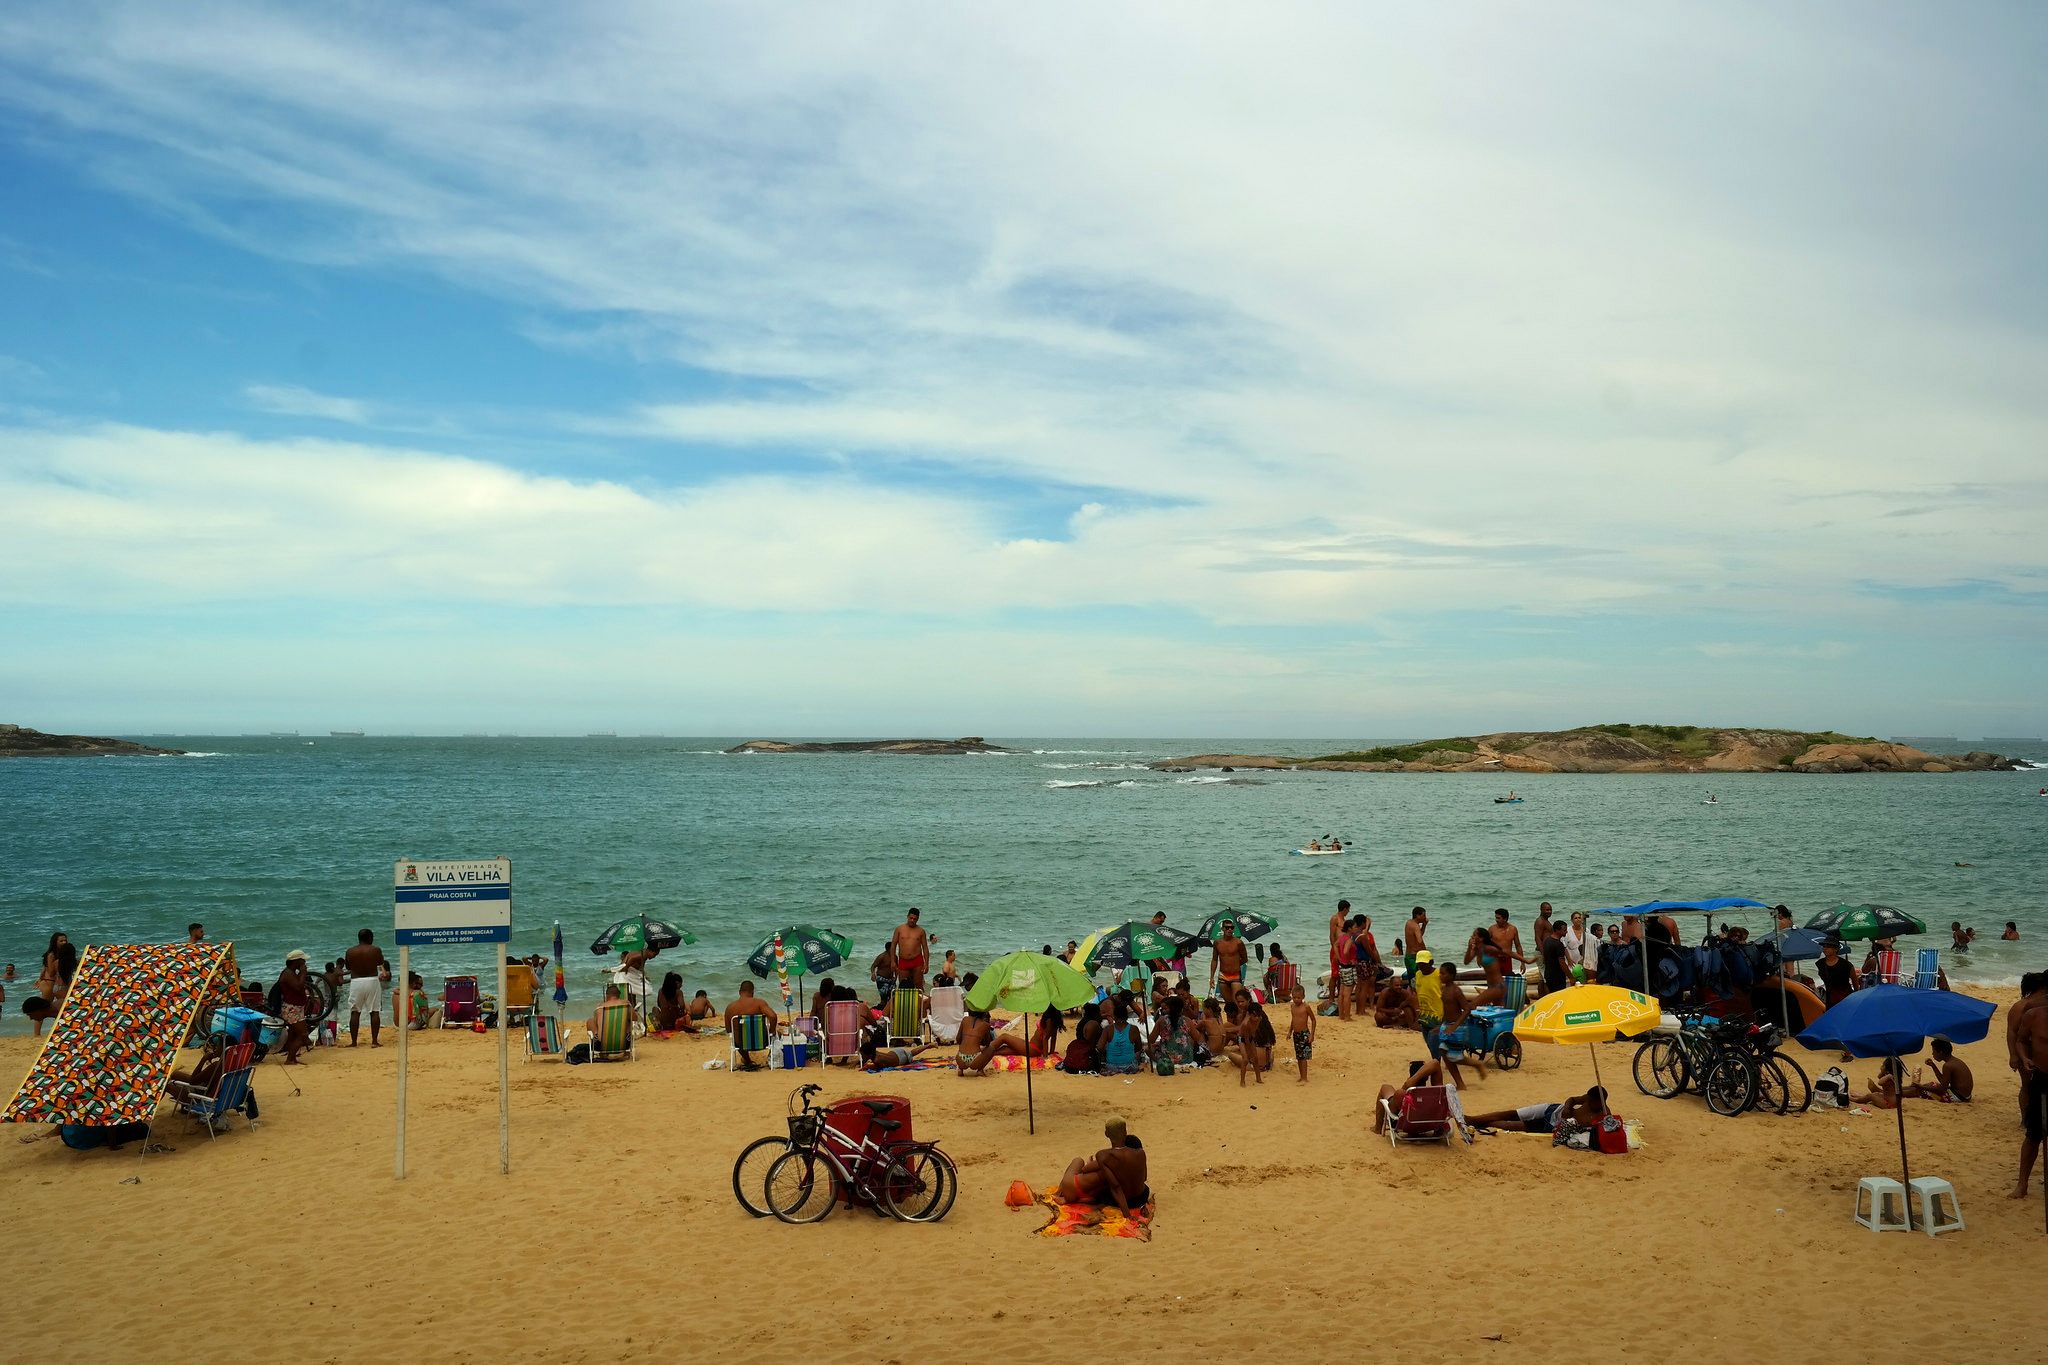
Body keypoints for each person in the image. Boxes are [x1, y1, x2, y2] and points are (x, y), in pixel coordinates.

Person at [1057, 1116, 1149, 1212]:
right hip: (1138, 1198)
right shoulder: (1140, 1154)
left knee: (1078, 1160)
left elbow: (1086, 1170)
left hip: (1071, 1186)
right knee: (1103, 1186)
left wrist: (1091, 1163)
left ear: (1106, 1134)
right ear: (1125, 1132)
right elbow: (1144, 1178)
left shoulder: (1104, 1156)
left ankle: (1059, 1192)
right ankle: (1075, 1197)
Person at [2012, 972, 2048, 1200]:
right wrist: (2023, 1058)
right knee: (2033, 1134)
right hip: (2042, 1078)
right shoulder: (2034, 1015)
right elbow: (2020, 1040)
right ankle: (2022, 1183)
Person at [1469, 1086, 1608, 1134]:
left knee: (1511, 1125)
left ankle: (1481, 1123)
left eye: (1591, 1101)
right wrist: (1567, 1107)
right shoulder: (1588, 1098)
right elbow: (1572, 1099)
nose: (1588, 1102)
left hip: (1552, 1125)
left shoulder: (1604, 1114)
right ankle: (1475, 1119)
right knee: (1513, 1114)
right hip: (1553, 1109)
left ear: (1599, 1101)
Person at [1436, 963, 1486, 1087]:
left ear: (1451, 975)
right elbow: (1446, 1009)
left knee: (1456, 1057)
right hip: (1447, 1025)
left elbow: (1467, 1009)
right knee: (1443, 1052)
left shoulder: (1456, 991)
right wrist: (1440, 1025)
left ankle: (1477, 1064)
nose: (1440, 975)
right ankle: (1460, 1083)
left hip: (1457, 1027)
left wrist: (1455, 1026)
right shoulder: (1444, 989)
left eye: (1443, 973)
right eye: (1440, 973)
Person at [1372, 1058, 1451, 1135]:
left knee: (1385, 1087)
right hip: (1430, 1125)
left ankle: (1377, 1129)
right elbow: (1435, 1063)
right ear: (1427, 1078)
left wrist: (1409, 1083)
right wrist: (1416, 1078)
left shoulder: (1401, 1095)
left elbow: (1393, 1110)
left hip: (1406, 1126)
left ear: (1410, 1075)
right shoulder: (1437, 1094)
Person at [344, 928, 389, 1047]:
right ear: (370, 938)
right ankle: (374, 1041)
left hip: (356, 981)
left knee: (355, 1012)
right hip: (372, 980)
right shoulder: (375, 950)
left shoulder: (350, 951)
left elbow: (348, 966)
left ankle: (354, 1042)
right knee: (374, 1011)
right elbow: (380, 962)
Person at [266, 950, 313, 1062]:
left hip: (295, 1007)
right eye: (303, 961)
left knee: (293, 1033)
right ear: (296, 961)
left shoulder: (291, 972)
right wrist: (303, 973)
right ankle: (290, 1059)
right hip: (292, 1008)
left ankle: (291, 1059)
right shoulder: (288, 973)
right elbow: (298, 986)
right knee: (303, 1035)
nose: (304, 963)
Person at [723, 982, 780, 1067]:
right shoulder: (759, 1003)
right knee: (779, 1033)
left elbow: (728, 1030)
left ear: (739, 992)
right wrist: (771, 1031)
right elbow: (772, 1016)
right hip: (762, 1042)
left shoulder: (730, 1007)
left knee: (736, 1036)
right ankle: (770, 1058)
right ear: (752, 992)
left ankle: (747, 1060)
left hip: (741, 1044)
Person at [1901, 1037, 1973, 1102]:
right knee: (1930, 1085)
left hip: (1959, 1096)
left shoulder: (1947, 1066)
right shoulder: (1954, 1061)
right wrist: (1933, 1066)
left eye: (1934, 1051)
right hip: (1964, 1094)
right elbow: (1943, 1082)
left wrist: (1921, 1087)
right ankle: (1898, 1089)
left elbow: (1942, 1090)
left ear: (1940, 1052)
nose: (1932, 1054)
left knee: (1920, 1091)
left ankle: (1897, 1092)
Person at [860, 1018, 940, 1070]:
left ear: (869, 1055)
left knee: (912, 1053)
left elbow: (881, 1067)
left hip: (900, 1058)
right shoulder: (876, 1053)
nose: (862, 1057)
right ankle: (927, 1046)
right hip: (895, 1052)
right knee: (912, 1052)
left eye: (863, 1055)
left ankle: (928, 1046)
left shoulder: (877, 1060)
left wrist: (867, 1067)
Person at [1231, 987, 1272, 1086]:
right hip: (1243, 1039)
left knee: (1255, 1059)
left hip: (1251, 1038)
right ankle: (1242, 1081)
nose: (1256, 1017)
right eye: (1238, 1002)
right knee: (1245, 1059)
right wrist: (1249, 1048)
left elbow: (1253, 1033)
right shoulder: (1246, 1023)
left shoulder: (1258, 1018)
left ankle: (1258, 1078)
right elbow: (1245, 1037)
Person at [1099, 999, 1146, 1075]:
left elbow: (1100, 1047)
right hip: (1130, 1067)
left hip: (1111, 1067)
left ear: (1114, 1016)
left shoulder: (1108, 1029)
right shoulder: (1133, 1029)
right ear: (1126, 1016)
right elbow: (1138, 1047)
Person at [890, 907, 931, 991]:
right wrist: (892, 961)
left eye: (915, 919)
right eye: (911, 918)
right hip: (903, 960)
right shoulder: (899, 929)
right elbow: (893, 945)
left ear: (918, 919)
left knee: (918, 986)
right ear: (907, 916)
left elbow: (925, 948)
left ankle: (920, 1003)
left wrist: (926, 963)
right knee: (903, 987)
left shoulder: (921, 931)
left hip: (917, 961)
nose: (912, 920)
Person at [1208, 920, 1248, 1000]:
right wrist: (1212, 977)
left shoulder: (1238, 943)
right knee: (1229, 1004)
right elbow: (1214, 960)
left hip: (1235, 975)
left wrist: (1235, 965)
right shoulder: (1217, 943)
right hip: (1223, 976)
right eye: (1227, 927)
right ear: (1222, 929)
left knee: (1237, 1002)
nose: (1229, 929)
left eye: (1231, 928)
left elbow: (1245, 958)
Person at [38, 932, 76, 1009]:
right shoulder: (52, 955)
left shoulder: (64, 955)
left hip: (57, 984)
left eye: (65, 940)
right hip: (49, 983)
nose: (64, 942)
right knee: (45, 1009)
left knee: (57, 1010)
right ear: (55, 942)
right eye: (61, 941)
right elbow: (51, 972)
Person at [1332, 916, 1359, 1022]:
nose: (1356, 928)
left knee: (1342, 992)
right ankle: (1347, 1016)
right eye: (1354, 927)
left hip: (1342, 967)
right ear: (1349, 929)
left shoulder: (1342, 937)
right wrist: (1349, 959)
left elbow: (1335, 945)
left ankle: (1341, 1015)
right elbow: (1346, 951)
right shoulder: (1349, 940)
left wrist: (1339, 958)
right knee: (1347, 993)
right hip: (1348, 967)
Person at [1815, 939, 1859, 1005]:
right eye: (1824, 946)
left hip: (1845, 997)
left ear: (1836, 949)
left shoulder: (1846, 965)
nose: (1825, 948)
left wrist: (1856, 996)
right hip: (1830, 997)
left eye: (1828, 947)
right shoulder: (1820, 963)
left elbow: (1855, 981)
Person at [1288, 984, 1316, 1082]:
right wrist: (1289, 1031)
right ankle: (1301, 1076)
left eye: (1298, 998)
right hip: (1296, 1034)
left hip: (1304, 1034)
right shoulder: (1292, 1007)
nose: (1296, 1000)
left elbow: (1313, 1020)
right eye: (1294, 997)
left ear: (1303, 997)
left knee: (1304, 1057)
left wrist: (1311, 1035)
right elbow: (1293, 1020)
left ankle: (1305, 1077)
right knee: (1299, 1056)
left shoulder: (1306, 1007)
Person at [1539, 919, 1572, 995]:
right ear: (1557, 930)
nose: (1566, 932)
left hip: (1548, 974)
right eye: (1564, 930)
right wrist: (1571, 977)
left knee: (1551, 995)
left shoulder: (1547, 940)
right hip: (1557, 977)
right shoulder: (1558, 944)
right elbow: (1562, 963)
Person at [1402, 907, 1429, 979]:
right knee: (1418, 979)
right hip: (1414, 958)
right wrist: (1426, 953)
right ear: (1417, 915)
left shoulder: (1409, 923)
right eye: (1424, 915)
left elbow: (1418, 935)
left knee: (1412, 981)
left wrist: (1424, 925)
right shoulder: (1416, 926)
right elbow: (1420, 941)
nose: (1425, 917)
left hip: (1408, 956)